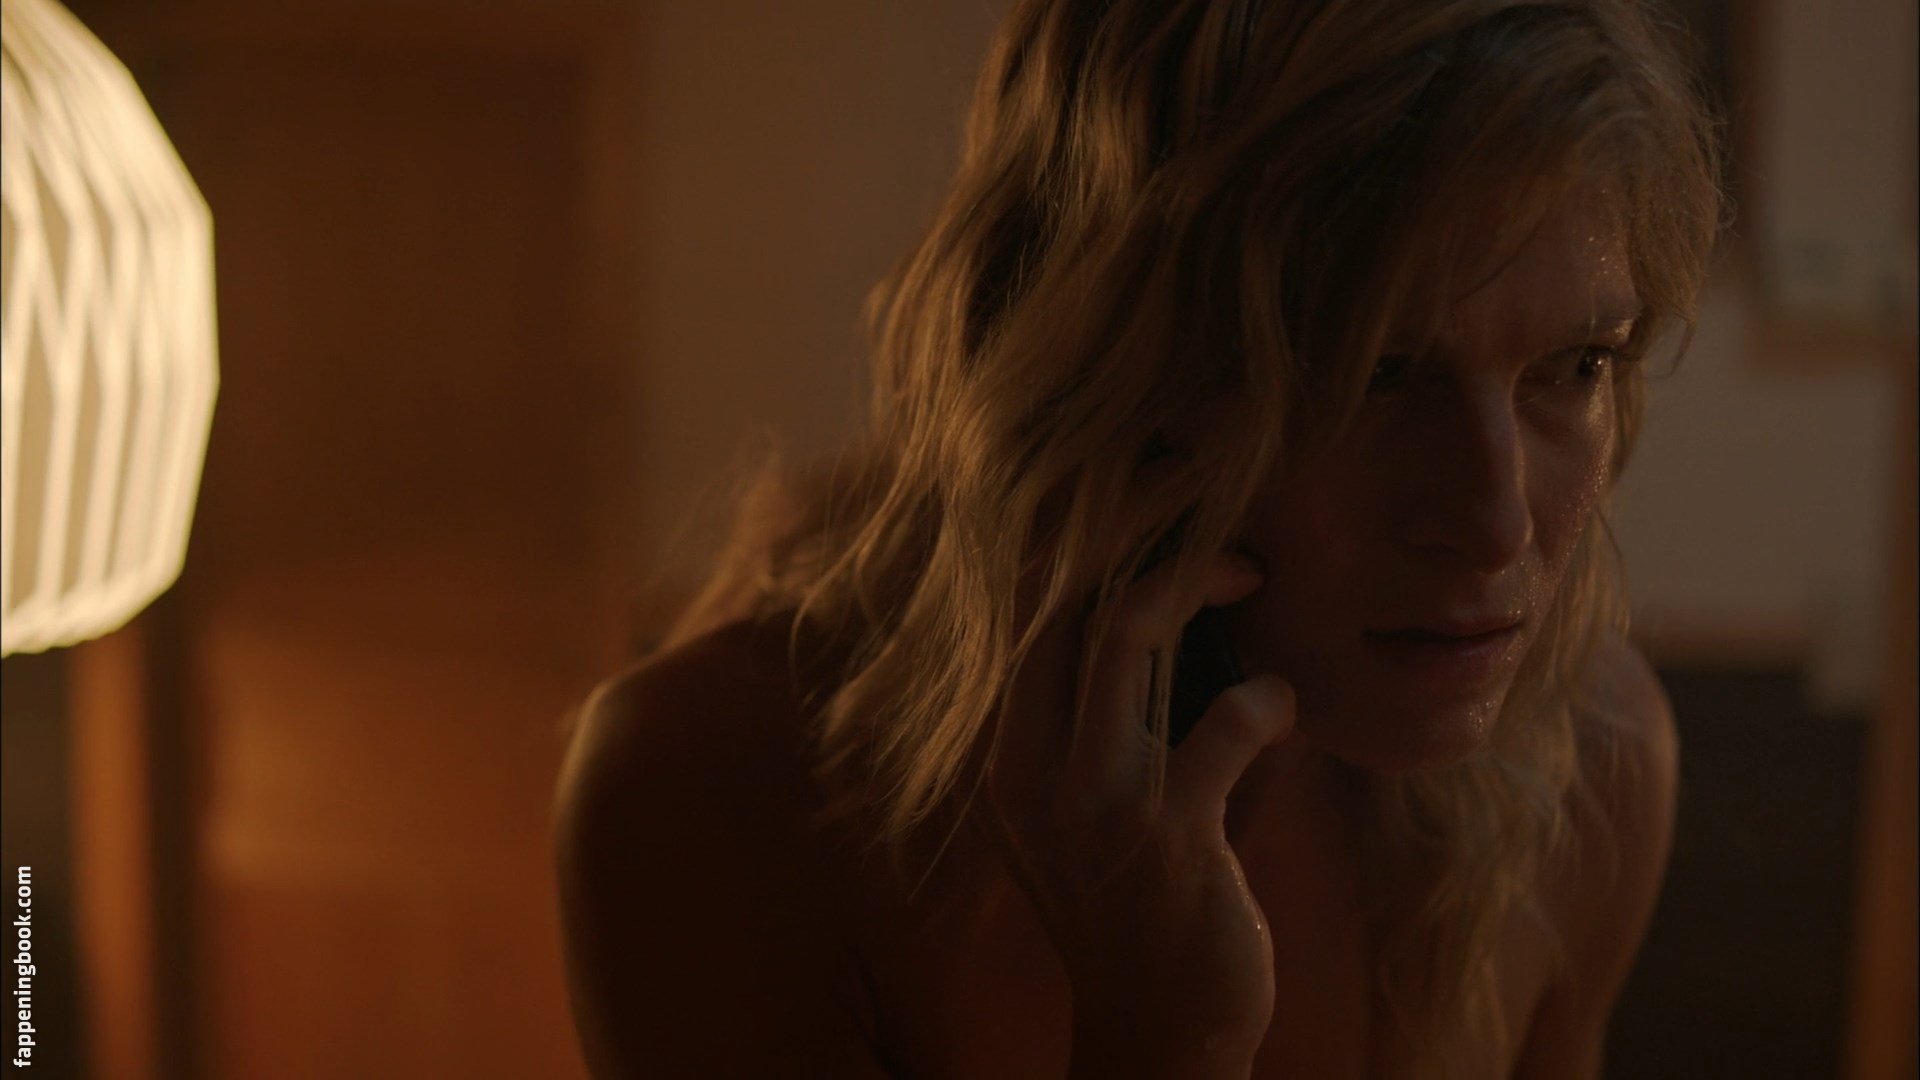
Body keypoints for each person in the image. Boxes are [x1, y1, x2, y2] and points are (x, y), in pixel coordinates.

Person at [553, 0, 1723, 1076]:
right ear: (1106, 364)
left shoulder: (1593, 758)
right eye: (1372, 373)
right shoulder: (719, 794)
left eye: (1577, 366)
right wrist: (1162, 1043)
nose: (1497, 522)